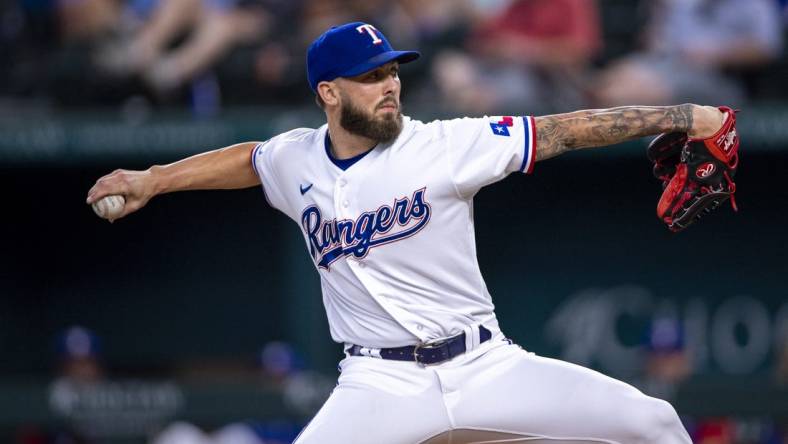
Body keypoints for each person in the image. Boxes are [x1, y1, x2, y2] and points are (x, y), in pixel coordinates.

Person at [87, 22, 735, 443]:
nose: (390, 85)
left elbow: (562, 128)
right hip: (378, 385)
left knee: (654, 423)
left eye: (392, 71)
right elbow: (249, 159)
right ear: (328, 94)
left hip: (484, 364)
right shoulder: (297, 157)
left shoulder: (445, 144)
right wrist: (154, 178)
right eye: (370, 77)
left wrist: (685, 115)